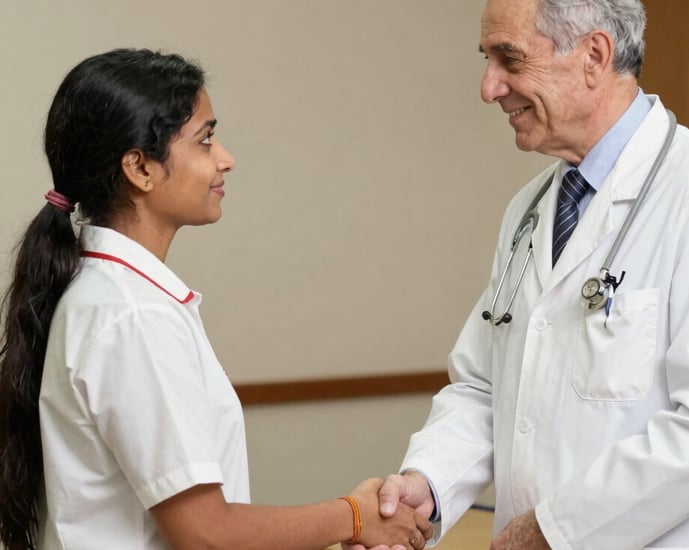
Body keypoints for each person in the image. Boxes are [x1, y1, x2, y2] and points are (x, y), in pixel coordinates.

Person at [348, 0, 689, 549]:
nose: (489, 87)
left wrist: (557, 528)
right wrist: (427, 484)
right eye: (487, 60)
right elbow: (484, 386)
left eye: (510, 59)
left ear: (594, 55)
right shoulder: (530, 209)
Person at [0, 48, 432, 550]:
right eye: (205, 140)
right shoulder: (134, 315)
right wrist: (354, 517)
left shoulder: (105, 294)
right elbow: (206, 534)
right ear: (140, 168)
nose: (226, 158)